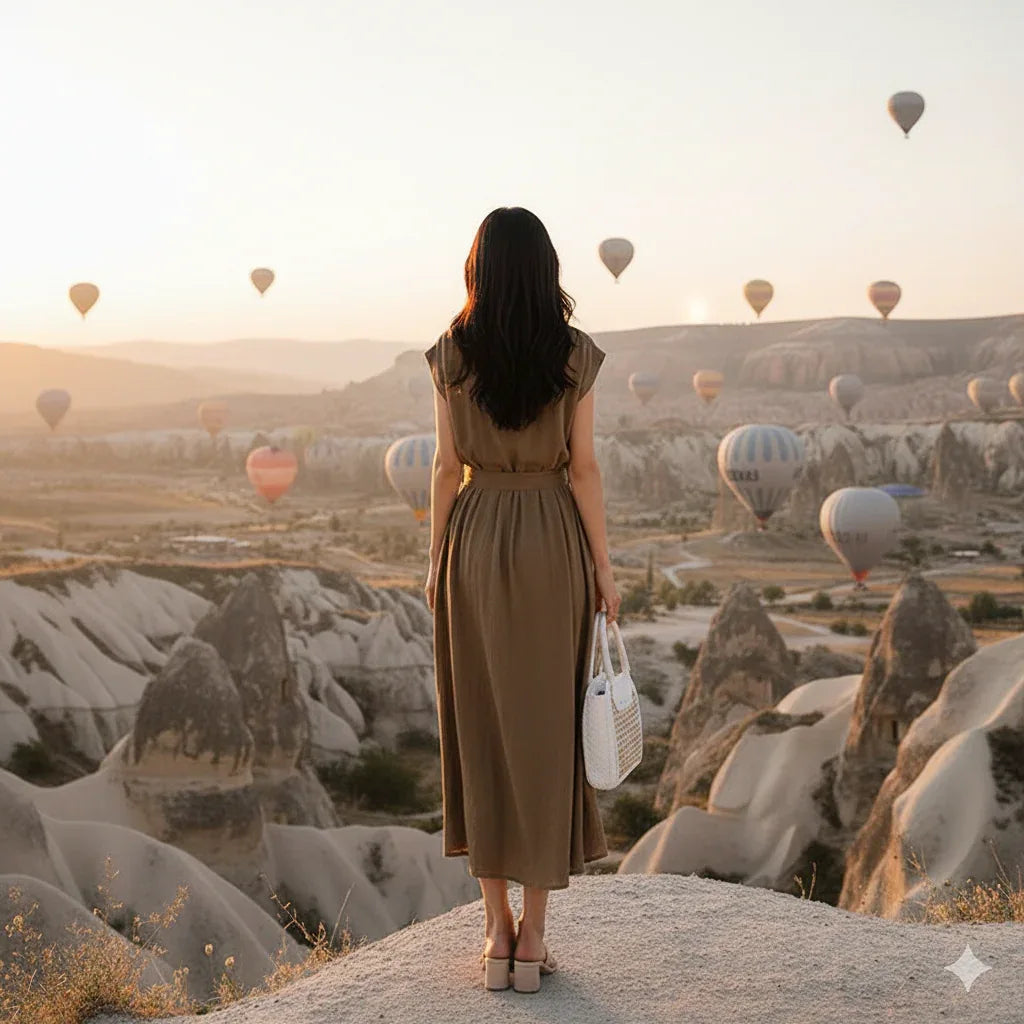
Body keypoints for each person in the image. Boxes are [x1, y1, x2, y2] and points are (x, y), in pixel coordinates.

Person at [424, 206, 620, 995]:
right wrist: (605, 570)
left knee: (480, 727)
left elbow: (444, 467)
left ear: (477, 269)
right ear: (547, 270)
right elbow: (584, 471)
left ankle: (493, 929)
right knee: (546, 734)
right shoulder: (573, 356)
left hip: (473, 540)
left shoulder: (448, 355)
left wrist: (436, 560)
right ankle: (535, 940)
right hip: (551, 541)